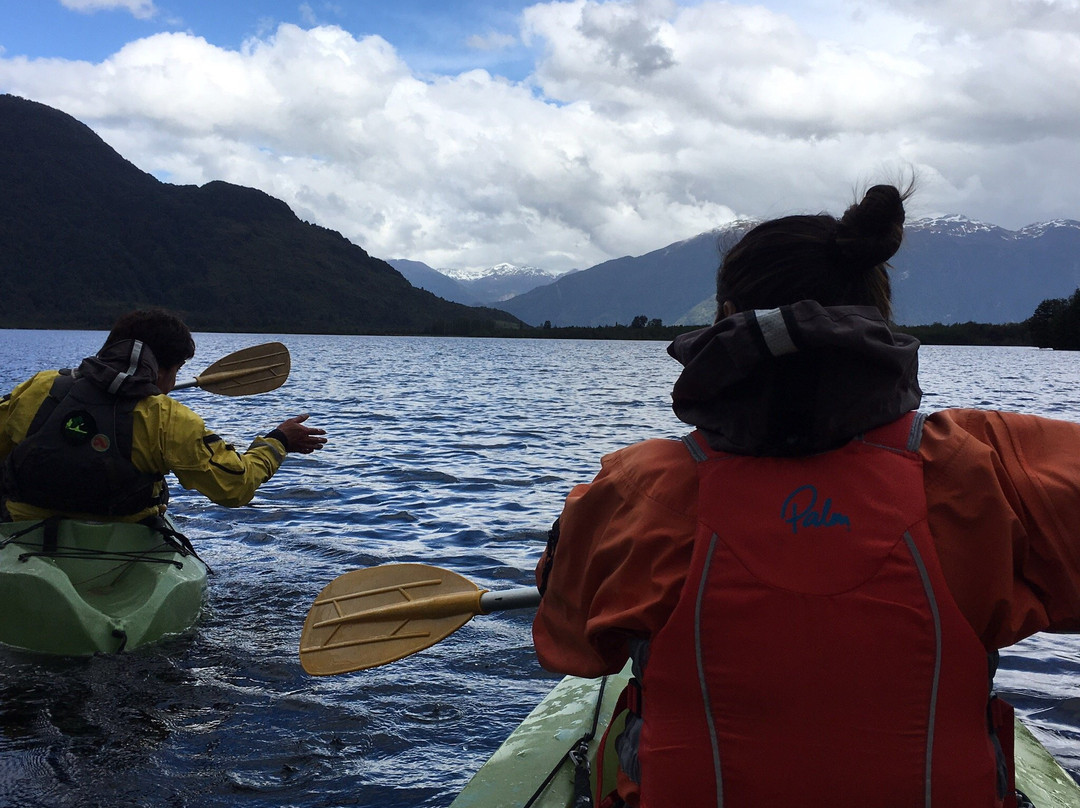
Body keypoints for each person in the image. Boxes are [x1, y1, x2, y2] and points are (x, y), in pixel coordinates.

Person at [532, 184, 1080, 808]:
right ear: (879, 319)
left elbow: (572, 646)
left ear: (725, 319)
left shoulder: (636, 490)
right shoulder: (989, 465)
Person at [0, 308, 327, 523]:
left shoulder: (40, 388)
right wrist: (278, 441)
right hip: (118, 545)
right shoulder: (168, 419)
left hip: (22, 533)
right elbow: (236, 486)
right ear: (159, 371)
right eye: (178, 370)